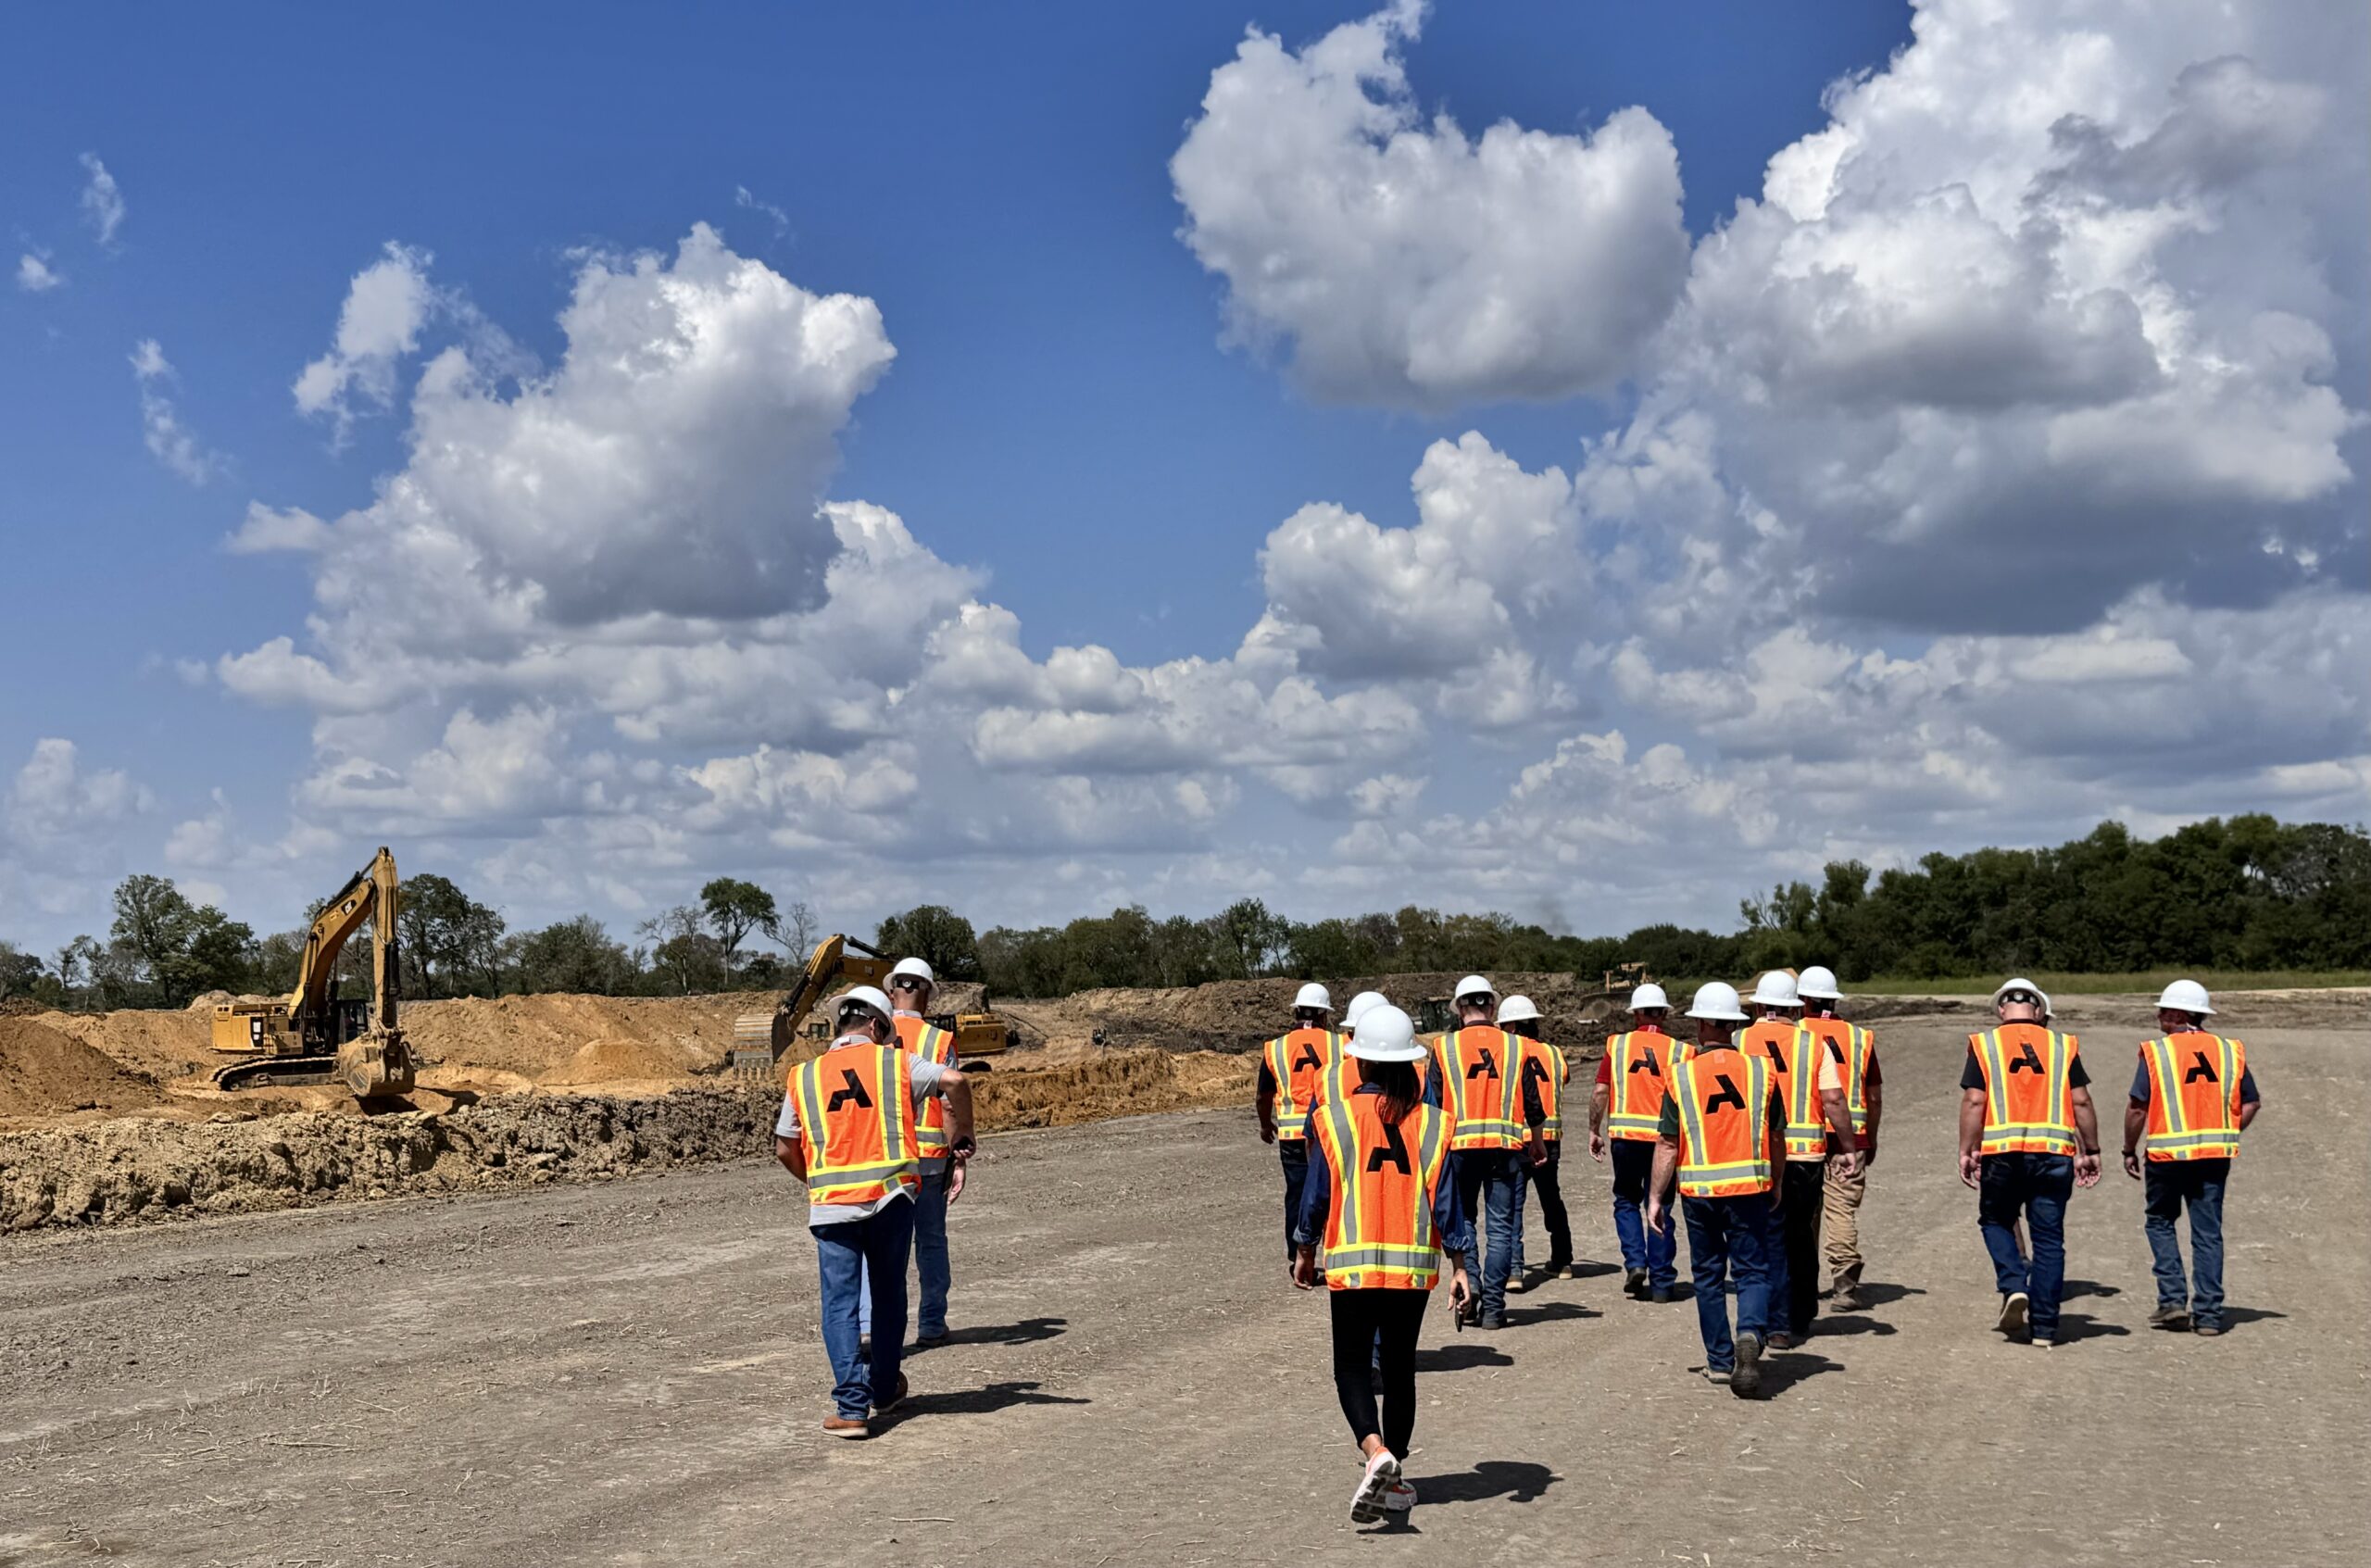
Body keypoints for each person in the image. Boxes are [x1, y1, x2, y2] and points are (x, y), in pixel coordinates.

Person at [1292, 1004, 1474, 1523]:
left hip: (1351, 1266)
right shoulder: (1434, 1123)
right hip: (1412, 1269)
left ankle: (1376, 1453)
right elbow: (1447, 1201)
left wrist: (1305, 1252)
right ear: (1410, 1064)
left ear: (1363, 1063)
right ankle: (1396, 1484)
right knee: (1399, 1372)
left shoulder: (1335, 1117)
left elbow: (1316, 1196)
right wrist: (1461, 1265)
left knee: (1351, 1366)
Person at [775, 985, 973, 1437]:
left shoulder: (803, 1075)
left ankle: (850, 1409)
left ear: (838, 1025)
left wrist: (817, 1179)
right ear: (877, 1025)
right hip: (891, 1200)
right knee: (887, 1298)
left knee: (840, 1305)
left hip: (831, 1209)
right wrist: (963, 1134)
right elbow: (956, 1083)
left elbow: (785, 1146)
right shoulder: (896, 1063)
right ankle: (883, 1390)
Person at [1645, 983, 1788, 1399]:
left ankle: (1721, 1362)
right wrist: (1776, 1181)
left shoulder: (1682, 1075)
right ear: (1735, 1025)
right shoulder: (1762, 1071)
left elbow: (1668, 1144)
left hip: (1699, 1191)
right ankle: (1749, 1332)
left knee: (1708, 1277)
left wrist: (1656, 1197)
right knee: (1753, 1270)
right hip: (1749, 1187)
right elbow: (1776, 1137)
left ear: (1702, 1022)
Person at [1958, 978, 2102, 1347]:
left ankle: (2012, 1285)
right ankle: (2045, 1329)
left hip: (2001, 1155)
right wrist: (2092, 1150)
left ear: (2001, 1010)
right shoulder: (2061, 1044)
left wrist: (1967, 1148)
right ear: (2038, 1011)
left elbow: (1975, 1101)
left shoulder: (1985, 1044)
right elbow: (2081, 1101)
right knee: (2049, 1239)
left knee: (1995, 1219)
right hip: (2053, 1155)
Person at [2124, 980, 2262, 1336]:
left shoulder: (2159, 1052)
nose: (2158, 1015)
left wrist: (2128, 1148)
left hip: (2167, 1157)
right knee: (2207, 1233)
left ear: (2180, 1014)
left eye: (2164, 1010)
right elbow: (2251, 1102)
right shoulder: (2229, 1050)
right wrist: (2228, 1132)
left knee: (2160, 1221)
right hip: (2214, 1157)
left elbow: (2138, 1108)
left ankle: (2172, 1301)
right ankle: (2210, 1315)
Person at [1737, 972, 1854, 1346]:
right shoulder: (1813, 1044)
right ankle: (1799, 1317)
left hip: (1755, 1156)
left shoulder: (1739, 1040)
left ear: (1757, 1006)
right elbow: (1834, 1099)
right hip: (1805, 1156)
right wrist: (1848, 1146)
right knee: (1800, 1237)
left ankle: (1772, 1320)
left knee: (1762, 1238)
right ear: (1795, 1006)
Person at [1431, 975, 1549, 1329]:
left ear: (1460, 1009)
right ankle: (1495, 1309)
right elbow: (1532, 1101)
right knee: (1500, 1230)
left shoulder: (1442, 1048)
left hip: (1460, 1150)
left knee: (1464, 1219)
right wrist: (1538, 1139)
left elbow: (1432, 1107)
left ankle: (1473, 1288)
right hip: (1506, 1149)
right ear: (1492, 1008)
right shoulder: (1516, 1046)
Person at [885, 957, 969, 1347]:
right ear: (928, 997)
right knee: (931, 1240)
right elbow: (951, 1100)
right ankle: (932, 1323)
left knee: (886, 1248)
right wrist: (959, 1154)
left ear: (891, 992)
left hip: (886, 1156)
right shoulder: (939, 1040)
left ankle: (881, 1330)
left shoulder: (874, 1034)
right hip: (931, 1157)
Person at [1591, 983, 1685, 1300]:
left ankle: (1635, 1263)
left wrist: (1594, 1129)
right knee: (1661, 1206)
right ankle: (1662, 1282)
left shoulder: (1617, 1045)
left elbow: (1601, 1091)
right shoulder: (1682, 1051)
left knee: (1626, 1200)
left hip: (1626, 1140)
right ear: (1664, 1014)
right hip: (1665, 1141)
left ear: (1636, 1014)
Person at [1797, 967, 1881, 1312]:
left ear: (1803, 1000)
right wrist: (1869, 1139)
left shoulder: (1797, 1033)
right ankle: (1844, 1281)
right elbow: (1873, 1096)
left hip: (1804, 1136)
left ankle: (1804, 1281)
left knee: (1805, 1213)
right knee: (1841, 1208)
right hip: (1851, 1137)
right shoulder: (1859, 1038)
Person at [1257, 983, 1343, 1263]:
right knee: (1334, 1192)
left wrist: (1266, 1125)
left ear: (1296, 1014)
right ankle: (1335, 1257)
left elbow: (1263, 1095)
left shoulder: (1276, 1048)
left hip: (1292, 1135)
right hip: (1329, 1132)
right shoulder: (1340, 1044)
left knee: (1297, 1195)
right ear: (1323, 1016)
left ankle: (1297, 1259)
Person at [1499, 995, 1573, 1283]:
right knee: (1551, 1198)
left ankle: (1515, 1270)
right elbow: (1563, 1079)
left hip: (1519, 1138)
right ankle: (1563, 1260)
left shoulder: (1509, 1052)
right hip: (1549, 1139)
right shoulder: (1554, 1053)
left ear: (1513, 1026)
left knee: (1512, 1205)